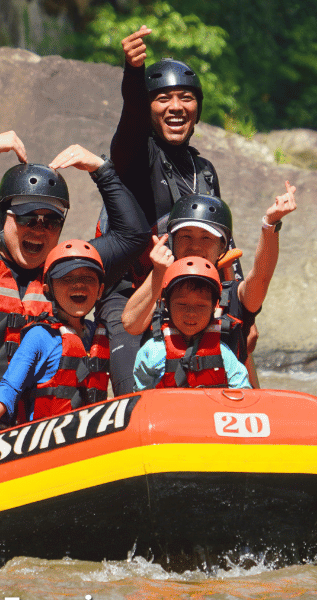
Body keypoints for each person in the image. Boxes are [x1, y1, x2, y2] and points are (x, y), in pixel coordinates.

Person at [0, 130, 149, 432]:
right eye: (26, 218)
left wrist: (102, 170)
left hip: (39, 429)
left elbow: (133, 236)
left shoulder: (68, 272)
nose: (39, 229)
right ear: (3, 218)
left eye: (51, 221)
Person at [98, 24, 229, 397]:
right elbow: (130, 126)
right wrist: (133, 75)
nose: (175, 107)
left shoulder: (204, 171)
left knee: (242, 336)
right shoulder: (137, 157)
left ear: (197, 109)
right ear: (149, 109)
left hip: (192, 292)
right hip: (129, 295)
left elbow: (222, 245)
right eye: (162, 99)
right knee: (132, 395)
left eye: (186, 97)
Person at [122, 184, 297, 388]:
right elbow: (131, 324)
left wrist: (271, 223)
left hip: (222, 407)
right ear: (172, 241)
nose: (195, 246)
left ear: (222, 246)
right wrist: (159, 273)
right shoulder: (159, 286)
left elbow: (261, 276)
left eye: (206, 238)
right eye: (186, 236)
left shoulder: (233, 295)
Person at [0, 240, 109, 439]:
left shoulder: (99, 336)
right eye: (67, 278)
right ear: (48, 290)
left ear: (100, 290)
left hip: (88, 440)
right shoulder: (40, 336)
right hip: (44, 443)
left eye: (88, 278)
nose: (79, 284)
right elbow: (10, 387)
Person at [133, 256, 252, 391]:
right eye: (182, 304)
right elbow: (140, 398)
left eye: (201, 306)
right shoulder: (152, 352)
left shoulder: (223, 353)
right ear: (166, 304)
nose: (191, 313)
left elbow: (243, 390)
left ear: (214, 306)